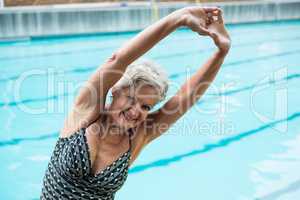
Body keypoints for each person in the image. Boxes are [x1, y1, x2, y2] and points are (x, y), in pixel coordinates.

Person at [40, 6, 231, 200]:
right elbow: (117, 60)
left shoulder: (141, 134)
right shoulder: (86, 112)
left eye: (146, 106)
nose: (135, 112)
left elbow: (186, 97)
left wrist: (222, 51)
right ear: (115, 90)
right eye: (132, 99)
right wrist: (178, 19)